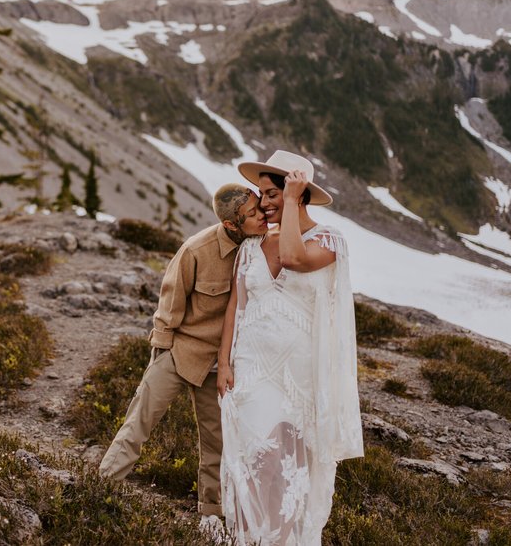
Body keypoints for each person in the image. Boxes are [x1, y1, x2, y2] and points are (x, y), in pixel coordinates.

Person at [99, 183, 268, 531]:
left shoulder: (260, 248)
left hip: (220, 365)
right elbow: (169, 306)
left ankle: (211, 514)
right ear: (232, 224)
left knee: (216, 442)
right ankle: (100, 487)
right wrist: (157, 361)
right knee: (138, 424)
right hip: (179, 353)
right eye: (252, 213)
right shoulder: (196, 250)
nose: (261, 215)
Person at [217, 150, 363, 545]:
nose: (262, 204)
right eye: (261, 195)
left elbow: (293, 257)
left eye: (271, 194)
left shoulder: (331, 241)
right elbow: (236, 305)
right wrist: (223, 362)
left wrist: (296, 197)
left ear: (296, 193)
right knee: (253, 461)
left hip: (300, 376)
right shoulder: (251, 247)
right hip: (251, 369)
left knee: (288, 469)